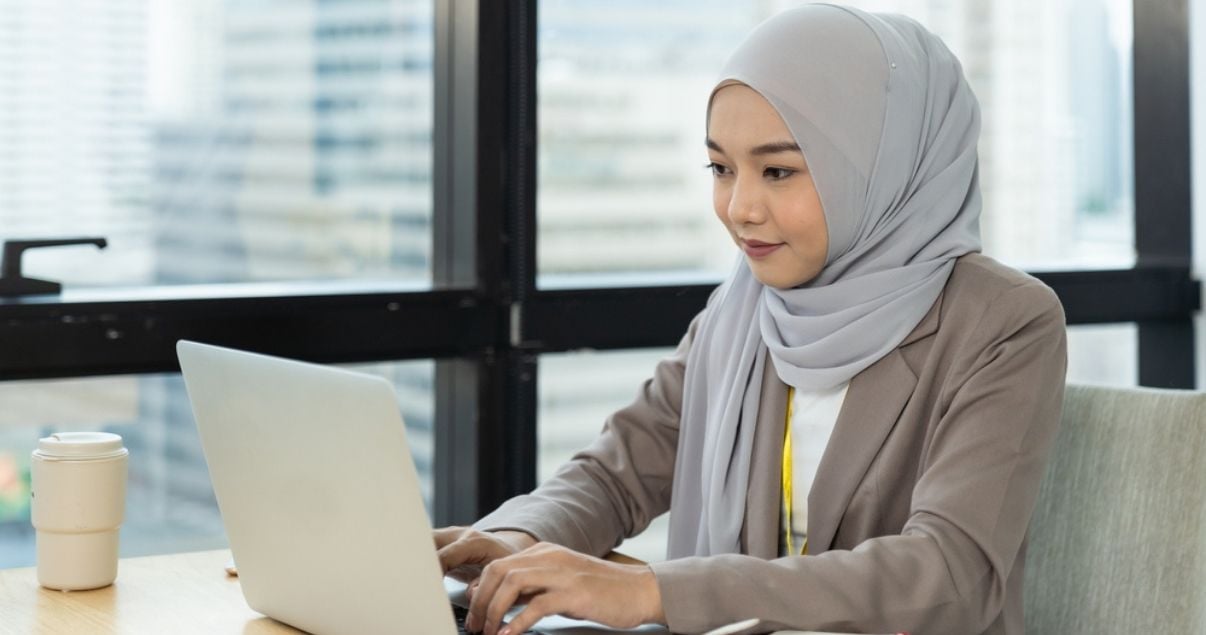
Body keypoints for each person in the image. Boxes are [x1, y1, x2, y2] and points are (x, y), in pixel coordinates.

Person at [434, 4, 1067, 635]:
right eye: (721, 168)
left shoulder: (1003, 322)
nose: (739, 208)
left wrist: (656, 592)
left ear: (882, 171)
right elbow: (614, 472)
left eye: (779, 171)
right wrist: (517, 539)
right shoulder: (742, 312)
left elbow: (950, 572)